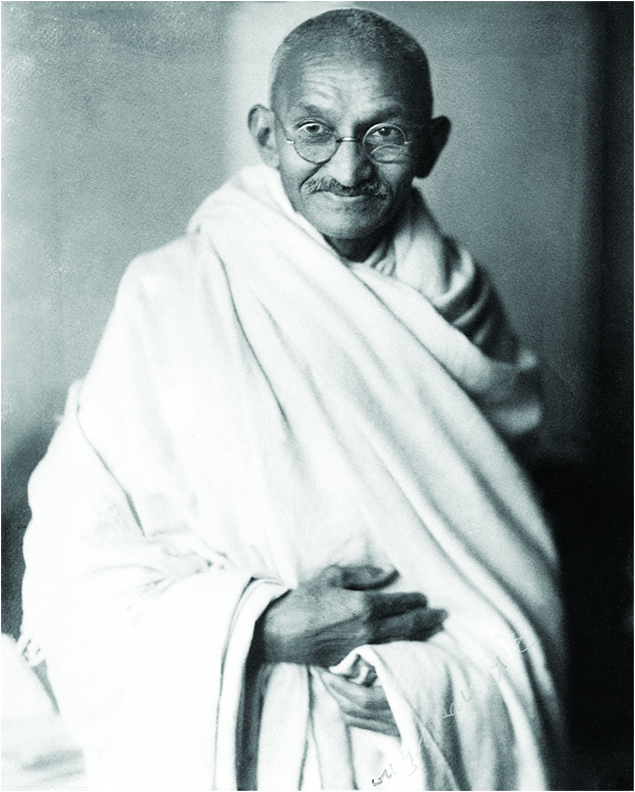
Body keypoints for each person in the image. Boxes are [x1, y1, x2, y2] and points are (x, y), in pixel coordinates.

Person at [21, 9, 564, 791]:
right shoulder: (174, 293)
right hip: (246, 734)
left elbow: (512, 596)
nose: (347, 169)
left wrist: (426, 695)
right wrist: (260, 628)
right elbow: (77, 567)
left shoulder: (463, 311)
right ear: (266, 136)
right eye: (314, 131)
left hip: (403, 745)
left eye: (385, 134)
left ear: (431, 145)